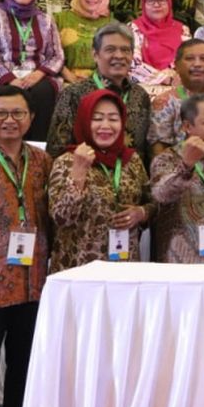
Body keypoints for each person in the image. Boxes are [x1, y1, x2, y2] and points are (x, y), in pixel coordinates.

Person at [0, 85, 52, 407]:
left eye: (17, 114)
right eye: (1, 114)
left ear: (31, 119)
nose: (9, 121)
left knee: (24, 367)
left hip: (32, 282)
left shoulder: (41, 161)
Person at [47, 90, 152, 271]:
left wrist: (142, 213)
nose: (105, 126)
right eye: (96, 119)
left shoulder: (131, 160)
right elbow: (60, 218)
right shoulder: (66, 161)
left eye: (113, 119)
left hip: (125, 268)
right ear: (84, 121)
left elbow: (153, 201)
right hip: (79, 268)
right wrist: (78, 173)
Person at [149, 94, 204, 263]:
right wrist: (186, 166)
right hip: (179, 258)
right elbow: (160, 196)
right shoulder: (167, 159)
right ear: (187, 126)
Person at [46, 22, 151, 162]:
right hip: (85, 175)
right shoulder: (74, 94)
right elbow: (56, 150)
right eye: (110, 49)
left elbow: (144, 150)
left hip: (129, 177)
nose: (119, 56)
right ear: (95, 55)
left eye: (125, 50)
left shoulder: (140, 95)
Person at [0, 0, 64, 141]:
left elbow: (57, 55)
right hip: (3, 75)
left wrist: (39, 74)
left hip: (37, 76)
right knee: (9, 94)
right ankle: (3, 148)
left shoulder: (45, 19)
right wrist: (9, 78)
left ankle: (37, 148)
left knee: (44, 91)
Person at [147, 39, 204, 159]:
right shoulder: (165, 103)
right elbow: (158, 154)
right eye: (190, 58)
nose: (197, 64)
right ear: (177, 66)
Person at [128, 0, 192, 98]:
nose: (156, 5)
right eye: (150, 1)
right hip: (144, 87)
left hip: (178, 86)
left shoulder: (182, 30)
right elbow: (132, 64)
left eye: (161, 0)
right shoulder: (133, 28)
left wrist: (178, 80)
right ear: (143, 5)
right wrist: (166, 79)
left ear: (169, 3)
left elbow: (189, 60)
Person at [54, 0, 111, 83]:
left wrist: (94, 80)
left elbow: (116, 59)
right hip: (65, 82)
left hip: (102, 83)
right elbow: (50, 54)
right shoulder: (59, 20)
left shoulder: (112, 24)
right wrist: (70, 77)